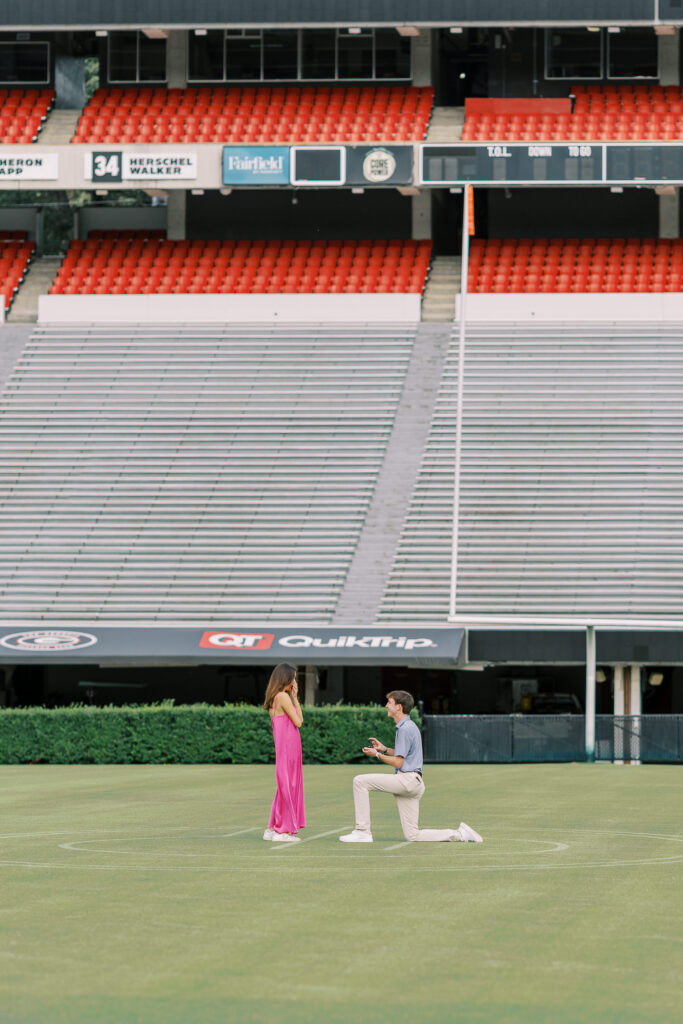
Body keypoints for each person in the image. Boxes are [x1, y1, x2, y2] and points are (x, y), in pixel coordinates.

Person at [339, 690, 482, 844]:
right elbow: (403, 755)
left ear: (399, 707)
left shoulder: (405, 728)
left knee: (360, 781)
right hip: (414, 782)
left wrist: (377, 755)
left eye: (390, 703)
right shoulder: (407, 726)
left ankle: (362, 832)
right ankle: (460, 834)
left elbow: (399, 762)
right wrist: (384, 749)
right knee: (412, 835)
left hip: (407, 780)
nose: (386, 705)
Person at [262, 663, 306, 843]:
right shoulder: (283, 697)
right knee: (289, 787)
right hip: (289, 748)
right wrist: (295, 699)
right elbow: (299, 722)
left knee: (283, 788)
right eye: (293, 678)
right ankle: (283, 831)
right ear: (285, 678)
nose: (294, 682)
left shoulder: (274, 697)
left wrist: (294, 697)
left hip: (284, 748)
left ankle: (273, 828)